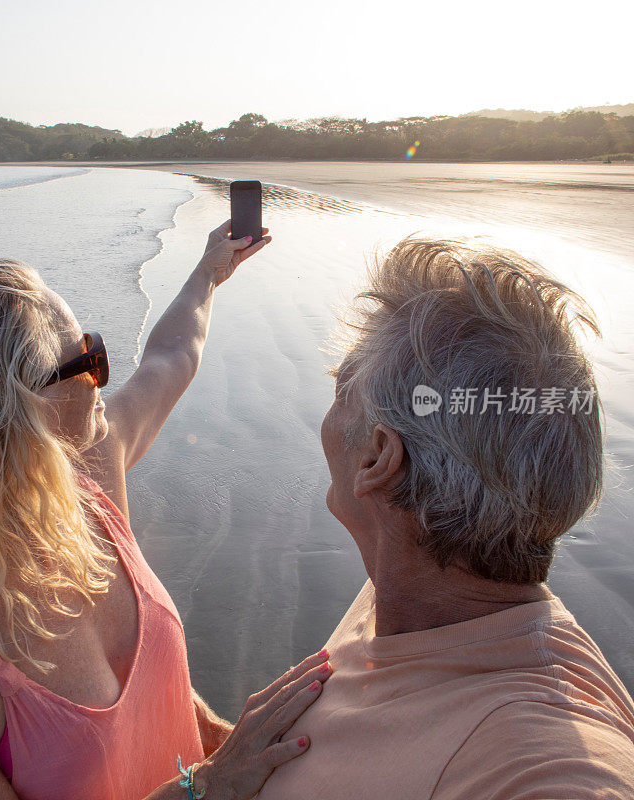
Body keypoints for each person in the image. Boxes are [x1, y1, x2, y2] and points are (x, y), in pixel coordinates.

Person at [0, 220, 334, 800]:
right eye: (87, 360)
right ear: (13, 411)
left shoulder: (85, 476)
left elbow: (171, 356)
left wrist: (209, 271)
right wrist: (208, 788)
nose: (103, 377)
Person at [256, 236, 634, 798]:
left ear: (379, 460)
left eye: (343, 389)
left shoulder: (537, 761)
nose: (329, 416)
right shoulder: (406, 587)